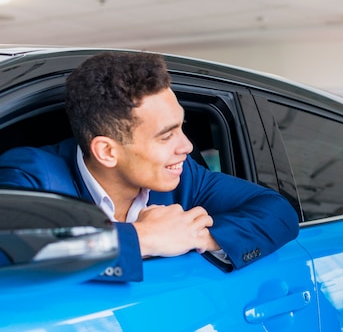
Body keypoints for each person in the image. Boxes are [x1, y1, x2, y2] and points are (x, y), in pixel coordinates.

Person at [0, 51, 299, 282]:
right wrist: (145, 237)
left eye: (183, 127)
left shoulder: (184, 178)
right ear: (106, 151)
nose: (187, 147)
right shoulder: (32, 174)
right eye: (167, 135)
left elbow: (278, 211)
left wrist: (197, 236)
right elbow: (12, 248)